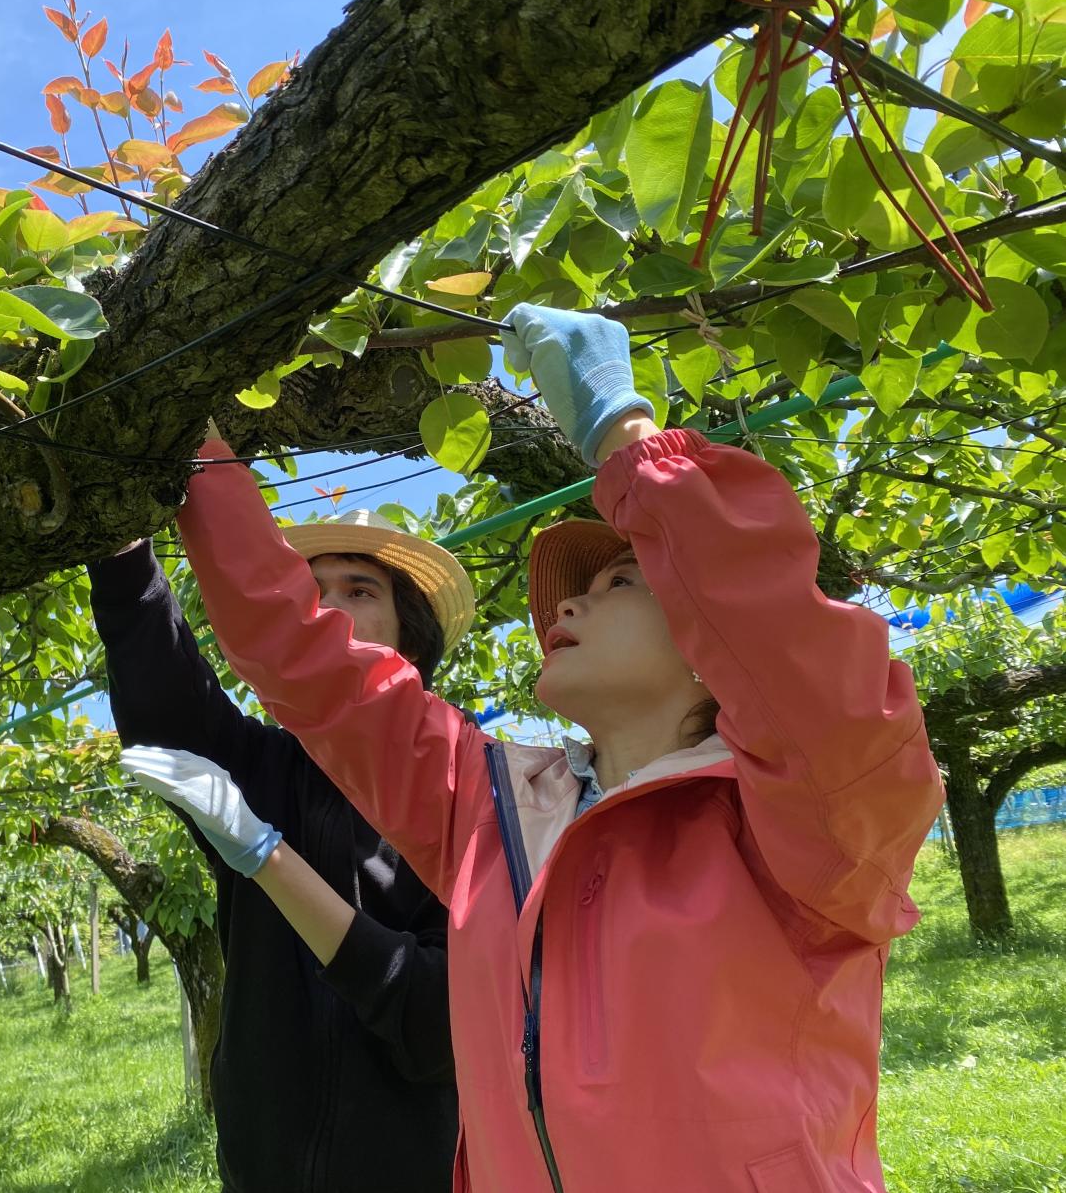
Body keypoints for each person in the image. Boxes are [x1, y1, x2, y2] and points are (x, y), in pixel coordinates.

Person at [163, 303, 945, 1191]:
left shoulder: (819, 820)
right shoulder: (492, 805)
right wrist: (189, 440)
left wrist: (628, 437)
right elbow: (305, 655)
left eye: (618, 581)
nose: (564, 607)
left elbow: (797, 649)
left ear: (706, 644)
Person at [89, 505, 467, 1191]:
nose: (326, 612)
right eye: (312, 593)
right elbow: (165, 699)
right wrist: (120, 542)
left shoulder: (463, 792)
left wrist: (267, 854)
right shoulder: (260, 766)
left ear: (411, 641)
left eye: (359, 590)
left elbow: (439, 1026)